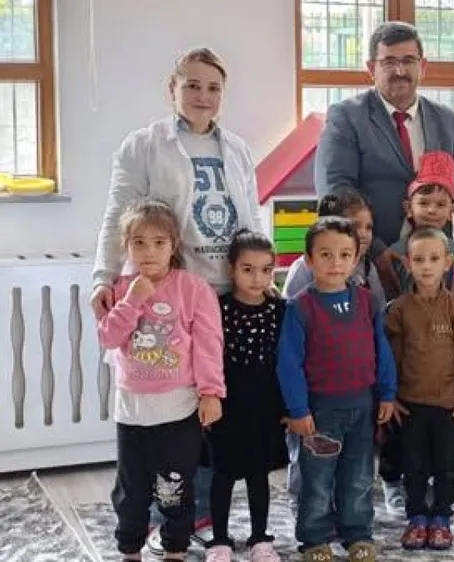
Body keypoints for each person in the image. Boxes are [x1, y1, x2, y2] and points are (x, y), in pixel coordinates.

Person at [90, 48, 263, 550]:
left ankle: (194, 512)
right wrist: (104, 276)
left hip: (227, 293)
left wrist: (261, 274)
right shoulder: (143, 145)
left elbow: (251, 216)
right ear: (173, 88)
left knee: (209, 408)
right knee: (162, 410)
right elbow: (118, 214)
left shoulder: (237, 149)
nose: (203, 96)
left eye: (213, 88)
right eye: (192, 85)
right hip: (171, 294)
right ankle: (148, 513)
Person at [96, 199, 225, 561]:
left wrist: (211, 392)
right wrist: (132, 299)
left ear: (173, 245)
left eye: (158, 242)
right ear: (126, 246)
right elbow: (109, 338)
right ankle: (130, 550)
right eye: (138, 242)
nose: (148, 251)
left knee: (174, 489)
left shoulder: (193, 288)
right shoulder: (120, 288)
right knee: (131, 491)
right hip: (131, 413)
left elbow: (209, 344)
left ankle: (175, 549)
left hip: (177, 412)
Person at [276, 216, 397, 562]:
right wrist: (298, 410)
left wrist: (387, 393)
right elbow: (288, 363)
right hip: (320, 412)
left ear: (356, 258)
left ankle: (357, 534)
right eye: (326, 255)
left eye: (345, 254)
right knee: (317, 479)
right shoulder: (300, 307)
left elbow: (381, 349)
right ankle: (314, 538)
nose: (336, 263)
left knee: (359, 476)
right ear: (309, 260)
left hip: (362, 406)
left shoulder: (367, 301)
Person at [314, 21, 454, 253]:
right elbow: (337, 191)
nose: (400, 71)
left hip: (436, 257)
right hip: (370, 257)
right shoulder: (346, 117)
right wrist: (377, 251)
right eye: (389, 62)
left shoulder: (446, 120)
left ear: (423, 66)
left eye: (409, 61)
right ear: (371, 68)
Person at [386, 228, 454, 551]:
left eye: (434, 259)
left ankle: (441, 516)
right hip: (410, 403)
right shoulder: (399, 309)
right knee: (412, 465)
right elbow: (393, 355)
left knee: (447, 465)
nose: (426, 266)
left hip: (449, 405)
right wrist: (390, 395)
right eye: (418, 259)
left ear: (447, 263)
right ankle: (416, 517)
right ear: (407, 263)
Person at [203, 230, 287, 562]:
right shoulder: (218, 307)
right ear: (232, 269)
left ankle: (260, 539)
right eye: (248, 269)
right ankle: (220, 539)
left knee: (258, 475)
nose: (257, 278)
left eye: (265, 270)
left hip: (265, 407)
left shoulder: (279, 309)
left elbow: (287, 360)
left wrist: (287, 406)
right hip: (226, 405)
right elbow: (207, 356)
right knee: (222, 475)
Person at [390, 151, 454, 292]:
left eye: (440, 205)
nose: (431, 210)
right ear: (409, 208)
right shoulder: (397, 252)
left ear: (451, 212)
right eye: (423, 203)